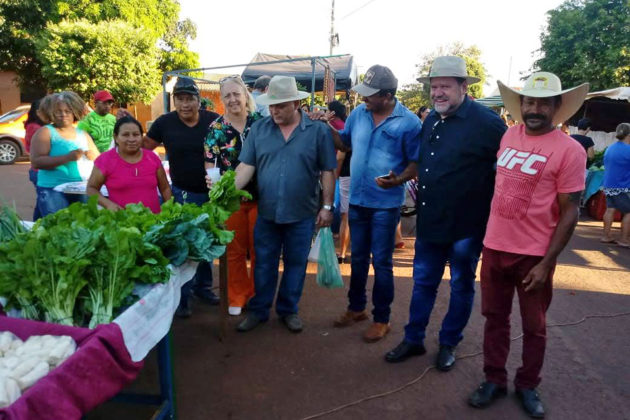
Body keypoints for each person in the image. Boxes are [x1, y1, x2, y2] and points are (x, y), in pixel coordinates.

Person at [467, 72, 588, 418]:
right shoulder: (508, 135)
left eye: (543, 103)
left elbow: (570, 212)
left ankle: (527, 384)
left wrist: (547, 262)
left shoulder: (570, 151)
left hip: (534, 255)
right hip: (495, 247)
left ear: (556, 107)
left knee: (534, 326)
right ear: (521, 104)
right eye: (529, 101)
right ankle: (494, 379)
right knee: (494, 318)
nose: (535, 109)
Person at [385, 56, 506, 367]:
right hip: (431, 222)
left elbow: (505, 174)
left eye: (445, 87)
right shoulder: (431, 120)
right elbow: (424, 163)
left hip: (467, 227)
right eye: (434, 86)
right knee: (423, 282)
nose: (437, 93)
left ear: (463, 87)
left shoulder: (489, 123)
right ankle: (414, 340)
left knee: (461, 284)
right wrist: (399, 179)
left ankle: (449, 343)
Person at [324, 65, 422, 343]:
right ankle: (356, 308)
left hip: (385, 205)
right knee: (357, 259)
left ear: (388, 95)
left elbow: (416, 162)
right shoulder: (358, 114)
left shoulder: (409, 122)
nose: (363, 98)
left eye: (370, 94)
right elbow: (343, 144)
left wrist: (399, 178)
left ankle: (382, 318)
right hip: (357, 200)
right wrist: (324, 126)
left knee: (381, 262)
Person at [231, 75, 337, 333]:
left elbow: (327, 170)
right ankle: (259, 311)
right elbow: (246, 166)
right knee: (263, 263)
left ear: (296, 103)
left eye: (280, 105)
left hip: (302, 213)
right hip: (266, 212)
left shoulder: (317, 131)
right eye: (271, 105)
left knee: (296, 264)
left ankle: (288, 310)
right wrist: (226, 191)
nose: (274, 110)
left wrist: (327, 207)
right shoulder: (259, 129)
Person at [143, 77, 220, 317]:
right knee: (184, 247)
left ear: (199, 100)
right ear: (174, 100)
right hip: (182, 194)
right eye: (180, 99)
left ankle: (204, 288)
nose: (185, 104)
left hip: (212, 195)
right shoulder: (164, 123)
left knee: (207, 245)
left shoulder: (212, 120)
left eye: (190, 99)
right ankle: (183, 295)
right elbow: (144, 148)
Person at [204, 75, 262, 316]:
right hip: (231, 201)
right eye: (226, 95)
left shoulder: (260, 123)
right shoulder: (216, 129)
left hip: (261, 197)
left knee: (260, 249)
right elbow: (210, 164)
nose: (232, 99)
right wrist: (212, 182)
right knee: (235, 251)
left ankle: (258, 295)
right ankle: (237, 295)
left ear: (245, 94)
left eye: (236, 94)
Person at [30, 92, 100, 217]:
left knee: (82, 225)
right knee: (57, 225)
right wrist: (67, 158)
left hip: (80, 188)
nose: (63, 114)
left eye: (68, 111)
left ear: (74, 112)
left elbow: (99, 159)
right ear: (50, 113)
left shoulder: (82, 134)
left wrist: (92, 155)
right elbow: (36, 161)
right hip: (53, 188)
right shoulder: (45, 132)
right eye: (58, 111)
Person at [86, 115, 171, 213]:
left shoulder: (152, 157)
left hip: (153, 223)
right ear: (116, 137)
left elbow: (165, 188)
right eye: (125, 135)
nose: (131, 139)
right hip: (122, 223)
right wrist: (108, 204)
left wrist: (168, 210)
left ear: (141, 136)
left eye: (136, 134)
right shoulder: (105, 160)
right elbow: (91, 189)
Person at [326, 100, 351, 264]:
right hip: (362, 176)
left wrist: (333, 179)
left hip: (344, 175)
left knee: (345, 217)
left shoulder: (332, 126)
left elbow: (340, 156)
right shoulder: (346, 124)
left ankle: (341, 253)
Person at [600, 122, 630, 247]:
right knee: (629, 212)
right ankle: (623, 239)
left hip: (608, 184)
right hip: (622, 186)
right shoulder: (628, 149)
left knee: (610, 209)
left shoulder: (610, 148)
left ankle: (606, 235)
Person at [23, 99, 46, 221]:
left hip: (39, 170)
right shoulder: (35, 128)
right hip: (38, 171)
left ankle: (35, 225)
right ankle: (36, 225)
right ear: (38, 112)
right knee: (44, 201)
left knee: (41, 201)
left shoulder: (37, 126)